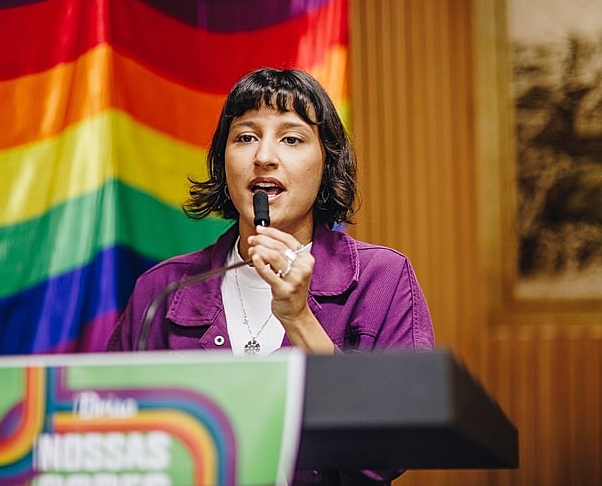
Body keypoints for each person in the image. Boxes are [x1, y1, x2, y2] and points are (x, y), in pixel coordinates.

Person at [107, 67, 435, 485]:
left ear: (327, 162)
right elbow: (111, 436)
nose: (263, 156)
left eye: (291, 139)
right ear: (223, 160)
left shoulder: (382, 279)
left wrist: (299, 319)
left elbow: (394, 449)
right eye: (245, 137)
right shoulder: (163, 288)